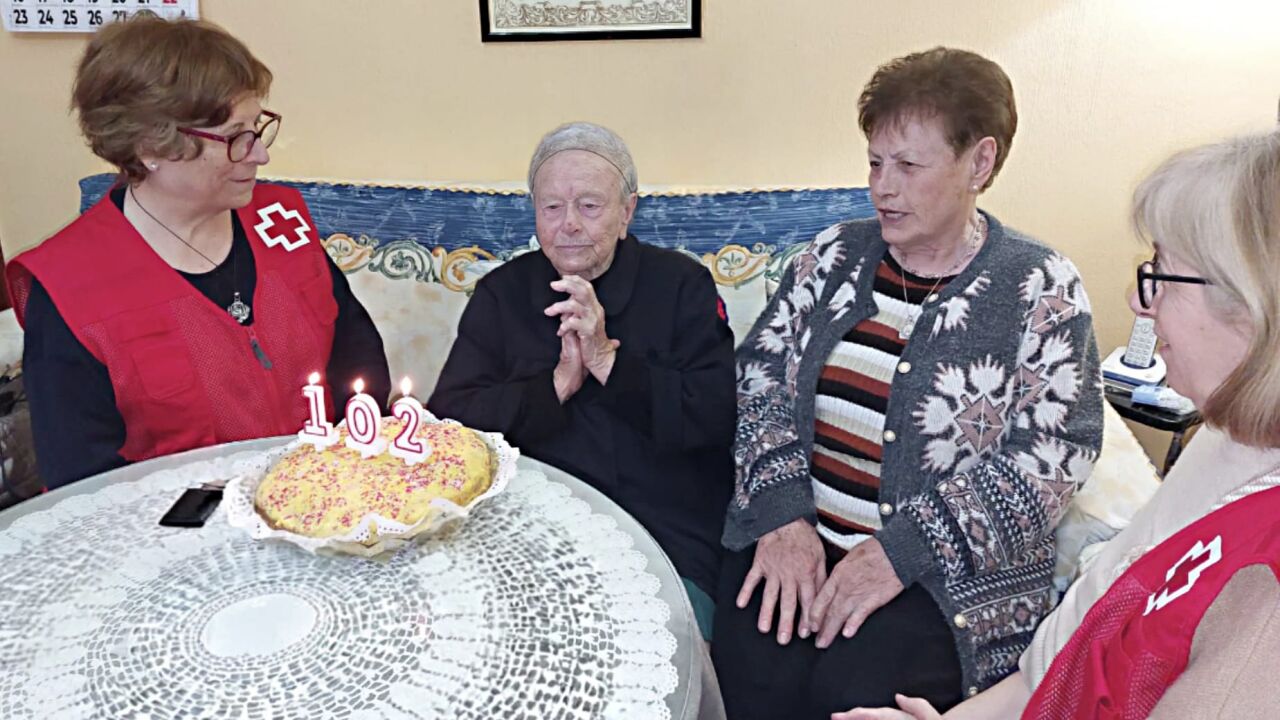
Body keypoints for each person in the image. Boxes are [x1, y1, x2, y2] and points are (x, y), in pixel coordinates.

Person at [711, 47, 1103, 718]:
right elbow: (759, 380)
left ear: (979, 163)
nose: (882, 188)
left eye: (908, 166)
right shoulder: (833, 254)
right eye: (874, 162)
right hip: (797, 537)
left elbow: (1055, 454)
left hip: (945, 579)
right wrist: (782, 517)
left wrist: (902, 551)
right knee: (752, 680)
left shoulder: (1039, 285)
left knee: (852, 698)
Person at [836, 130, 1280, 720]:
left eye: (1162, 274)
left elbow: (1055, 454)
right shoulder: (1228, 440)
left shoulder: (1262, 602)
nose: (1138, 301)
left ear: (1253, 304)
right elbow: (1062, 654)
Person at [6, 16, 390, 490]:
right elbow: (82, 481)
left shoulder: (280, 221)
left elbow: (358, 357)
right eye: (235, 137)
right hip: (179, 527)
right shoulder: (69, 285)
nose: (260, 155)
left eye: (257, 127)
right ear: (150, 146)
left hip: (326, 496)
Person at [429, 122, 735, 640]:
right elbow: (449, 427)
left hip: (662, 532)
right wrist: (555, 386)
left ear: (627, 212)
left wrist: (606, 360)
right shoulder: (502, 293)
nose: (568, 224)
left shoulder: (682, 285)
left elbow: (715, 418)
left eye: (589, 206)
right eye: (551, 207)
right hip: (524, 529)